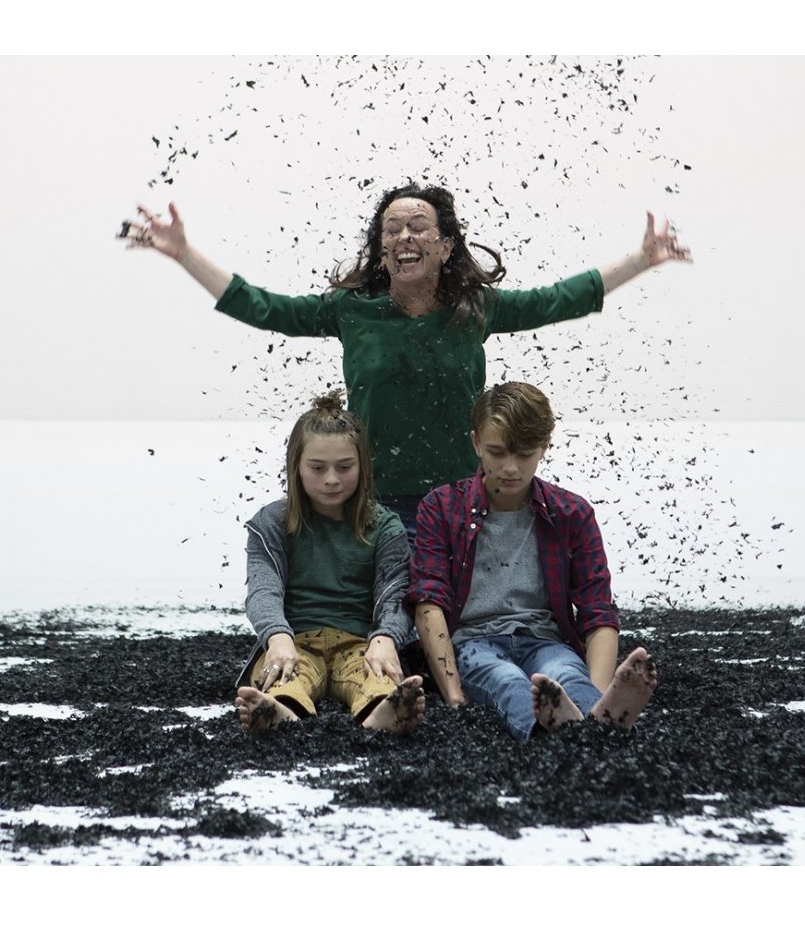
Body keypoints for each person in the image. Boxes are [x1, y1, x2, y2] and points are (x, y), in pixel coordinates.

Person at [121, 183, 691, 538]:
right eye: (391, 229)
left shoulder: (475, 308)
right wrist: (183, 253)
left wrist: (641, 260)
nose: (403, 235)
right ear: (383, 249)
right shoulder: (353, 311)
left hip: (465, 498)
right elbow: (264, 308)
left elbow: (558, 299)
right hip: (371, 498)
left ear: (445, 247)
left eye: (418, 226)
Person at [405, 381, 658, 741]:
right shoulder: (442, 507)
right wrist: (455, 697)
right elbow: (428, 605)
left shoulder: (571, 513)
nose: (510, 467)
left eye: (524, 454)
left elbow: (596, 611)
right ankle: (558, 737)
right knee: (506, 680)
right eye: (497, 452)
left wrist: (599, 690)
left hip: (545, 640)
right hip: (472, 643)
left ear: (545, 447)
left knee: (566, 676)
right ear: (476, 442)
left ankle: (598, 720)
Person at [232, 390, 425, 735]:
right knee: (287, 678)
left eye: (345, 467)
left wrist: (385, 638)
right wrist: (277, 637)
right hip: (295, 643)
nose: (332, 479)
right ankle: (279, 712)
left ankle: (384, 713)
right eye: (318, 468)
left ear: (363, 465)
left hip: (360, 644)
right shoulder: (270, 523)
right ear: (296, 467)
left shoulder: (385, 526)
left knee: (378, 678)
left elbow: (396, 592)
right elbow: (263, 591)